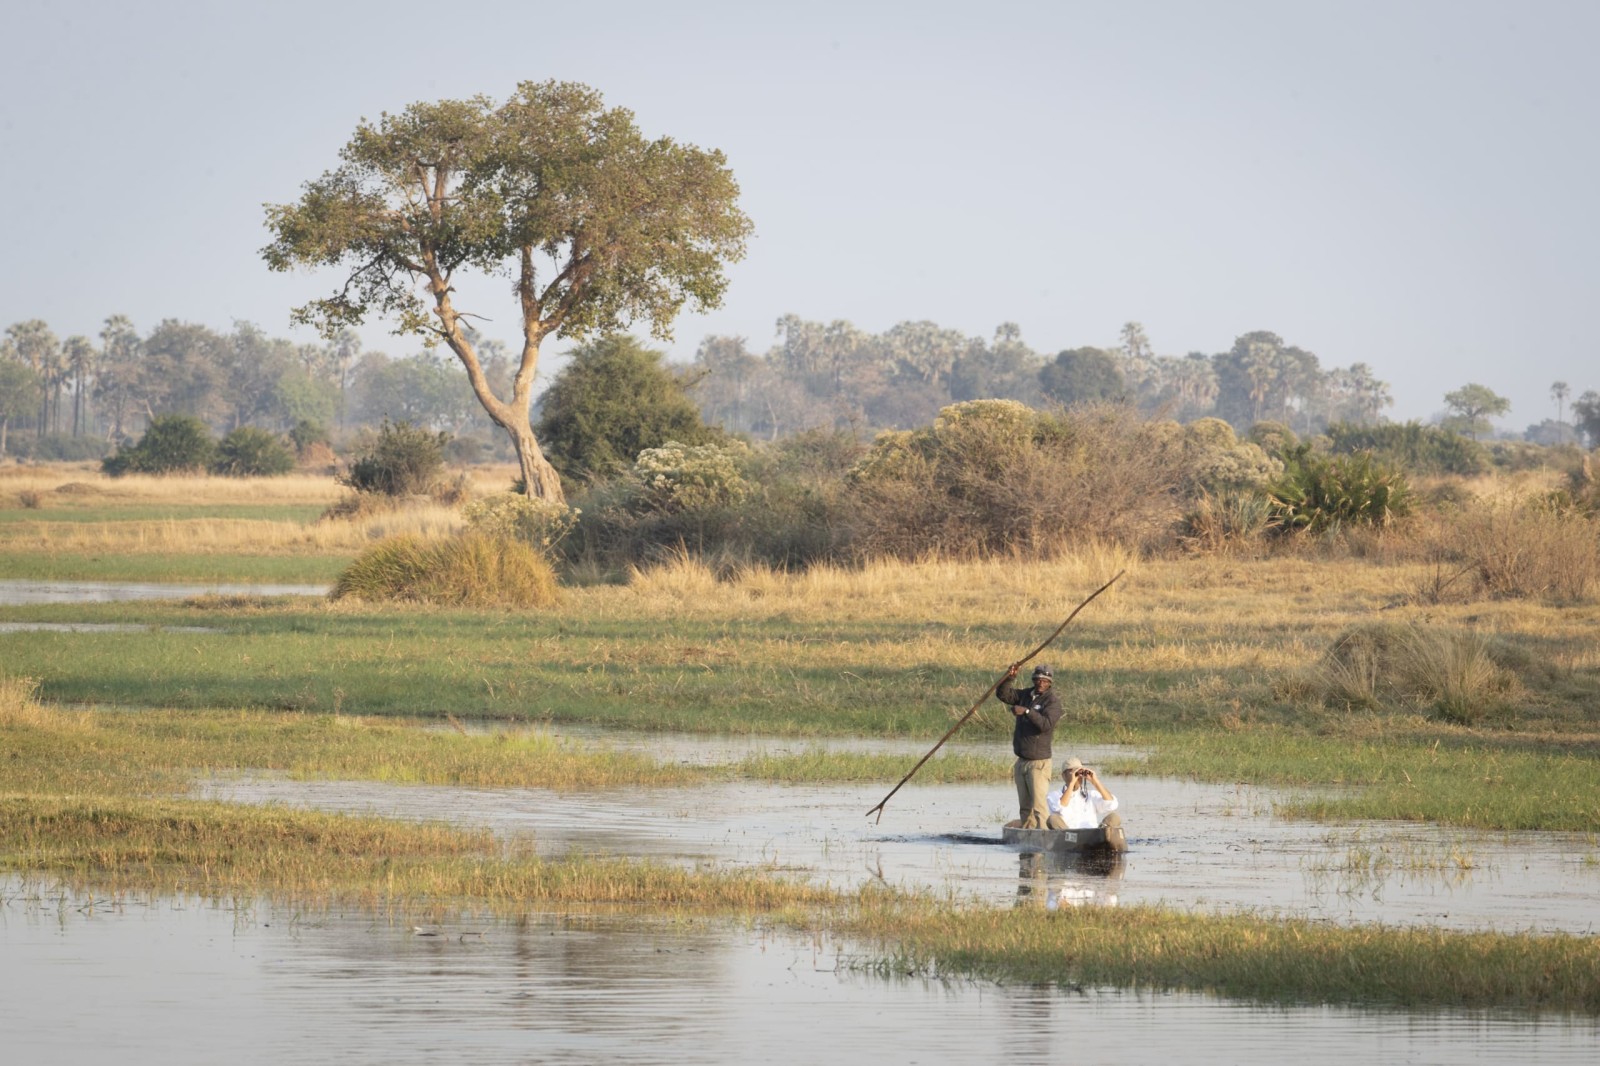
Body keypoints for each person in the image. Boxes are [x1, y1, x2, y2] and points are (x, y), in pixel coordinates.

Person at [996, 662, 1063, 829]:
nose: (1041, 683)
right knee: (1025, 808)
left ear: (1050, 683)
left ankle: (1045, 838)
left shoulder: (1052, 702)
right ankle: (1028, 841)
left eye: (1045, 680)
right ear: (1034, 679)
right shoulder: (1026, 695)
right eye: (1038, 679)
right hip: (1022, 761)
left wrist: (1026, 711)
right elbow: (1003, 695)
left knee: (1039, 807)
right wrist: (1009, 677)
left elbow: (1046, 724)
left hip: (1039, 763)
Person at [1047, 757, 1119, 831]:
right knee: (1052, 819)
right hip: (1069, 836)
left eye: (1080, 772)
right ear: (1063, 775)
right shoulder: (1054, 795)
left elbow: (1112, 804)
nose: (1077, 776)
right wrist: (1072, 784)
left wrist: (1095, 782)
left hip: (1091, 834)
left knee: (1114, 817)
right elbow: (1059, 807)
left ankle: (1101, 837)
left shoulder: (1091, 794)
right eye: (1073, 772)